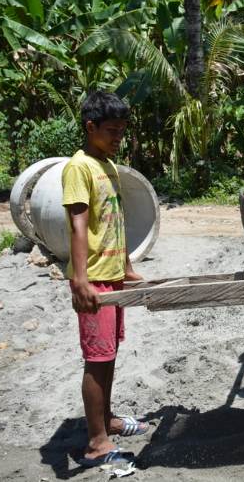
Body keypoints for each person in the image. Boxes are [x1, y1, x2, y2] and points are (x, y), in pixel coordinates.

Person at [62, 91, 149, 467]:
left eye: (122, 132)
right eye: (112, 131)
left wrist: (127, 267)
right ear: (90, 127)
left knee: (109, 355)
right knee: (96, 360)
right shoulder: (78, 168)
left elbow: (116, 223)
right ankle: (96, 442)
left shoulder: (108, 166)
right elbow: (78, 227)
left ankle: (107, 420)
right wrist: (80, 281)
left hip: (112, 276)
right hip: (93, 279)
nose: (118, 139)